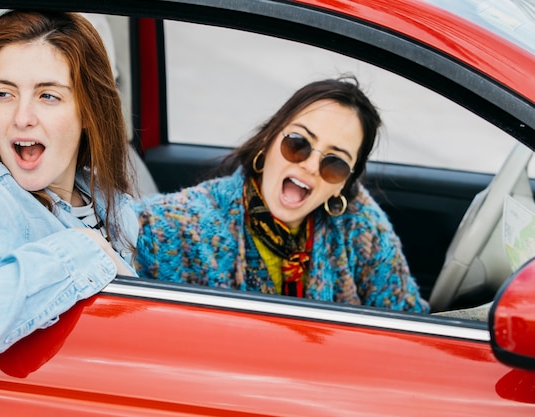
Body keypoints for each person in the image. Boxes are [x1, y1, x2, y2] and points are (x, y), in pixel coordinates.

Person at [0, 10, 138, 374]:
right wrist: (84, 250)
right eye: (4, 93)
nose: (21, 117)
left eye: (48, 96)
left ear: (89, 110)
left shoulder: (103, 197)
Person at [134, 76, 430, 313]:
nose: (311, 165)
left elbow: (410, 322)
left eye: (335, 163)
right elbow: (119, 227)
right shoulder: (193, 219)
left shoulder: (361, 227)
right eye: (298, 142)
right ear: (269, 138)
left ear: (345, 183)